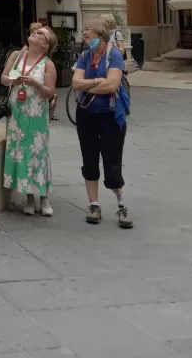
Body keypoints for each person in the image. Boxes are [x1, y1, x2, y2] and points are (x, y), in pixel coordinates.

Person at [72, 13, 132, 229]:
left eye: (87, 29)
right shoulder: (85, 57)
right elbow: (75, 84)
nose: (84, 33)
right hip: (86, 114)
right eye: (84, 30)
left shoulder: (114, 55)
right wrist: (98, 81)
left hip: (110, 115)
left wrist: (88, 87)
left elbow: (113, 85)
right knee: (89, 159)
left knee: (112, 159)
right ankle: (94, 205)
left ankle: (121, 205)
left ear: (100, 32)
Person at [0, 25, 58, 217]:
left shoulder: (48, 64)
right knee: (21, 152)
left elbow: (50, 92)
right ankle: (29, 197)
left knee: (38, 154)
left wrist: (36, 84)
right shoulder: (16, 56)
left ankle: (44, 197)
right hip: (17, 115)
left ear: (45, 44)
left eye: (41, 33)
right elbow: (3, 78)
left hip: (36, 116)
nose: (35, 33)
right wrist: (12, 81)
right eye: (35, 31)